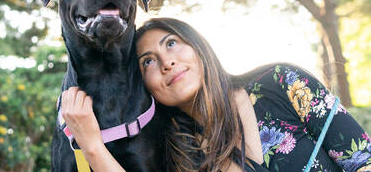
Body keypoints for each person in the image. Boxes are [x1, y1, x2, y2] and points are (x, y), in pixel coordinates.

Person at [62, 17, 371, 172]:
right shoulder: (178, 154)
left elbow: (361, 160)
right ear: (145, 85)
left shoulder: (281, 82)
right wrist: (91, 146)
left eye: (171, 43)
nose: (166, 62)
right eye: (148, 62)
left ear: (199, 47)